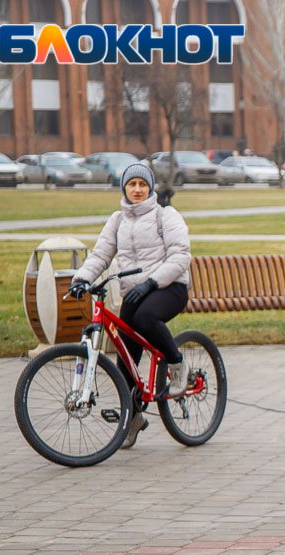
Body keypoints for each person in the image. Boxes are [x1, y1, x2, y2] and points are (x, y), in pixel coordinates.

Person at [70, 162, 192, 448]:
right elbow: (100, 254)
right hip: (135, 293)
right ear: (124, 188)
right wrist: (82, 279)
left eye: (142, 185)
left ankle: (177, 363)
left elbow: (180, 257)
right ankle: (134, 417)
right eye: (131, 185)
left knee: (146, 318)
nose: (137, 190)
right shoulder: (117, 221)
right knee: (125, 358)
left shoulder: (166, 216)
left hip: (169, 287)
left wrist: (152, 282)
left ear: (150, 188)